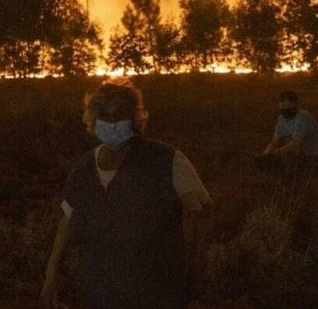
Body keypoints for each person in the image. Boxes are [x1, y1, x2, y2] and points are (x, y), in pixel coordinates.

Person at [41, 78, 211, 309]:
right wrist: (51, 275)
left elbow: (199, 215)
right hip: (101, 292)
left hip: (159, 294)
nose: (112, 123)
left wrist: (195, 277)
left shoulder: (167, 160)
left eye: (119, 115)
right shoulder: (85, 167)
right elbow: (67, 220)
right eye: (105, 115)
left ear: (133, 119)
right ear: (93, 119)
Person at [257, 91, 318, 173]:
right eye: (283, 105)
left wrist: (274, 154)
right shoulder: (281, 119)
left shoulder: (303, 117)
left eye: (290, 105)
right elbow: (275, 141)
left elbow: (296, 143)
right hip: (295, 156)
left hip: (313, 158)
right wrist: (266, 153)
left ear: (296, 104)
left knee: (286, 157)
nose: (286, 108)